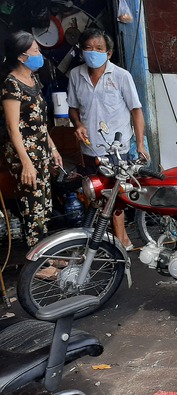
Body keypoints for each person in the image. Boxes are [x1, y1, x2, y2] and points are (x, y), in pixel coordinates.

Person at [67, 28, 149, 251]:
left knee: (115, 195)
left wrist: (140, 144)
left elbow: (136, 111)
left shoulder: (121, 76)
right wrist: (78, 124)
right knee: (92, 193)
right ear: (81, 51)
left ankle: (122, 240)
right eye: (88, 48)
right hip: (89, 147)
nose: (93, 52)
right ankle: (99, 239)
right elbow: (73, 108)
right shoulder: (76, 75)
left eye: (99, 48)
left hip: (116, 149)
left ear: (109, 53)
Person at [1, 31, 63, 247]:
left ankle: (44, 255)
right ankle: (37, 263)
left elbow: (39, 121)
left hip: (41, 151)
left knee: (45, 206)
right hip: (24, 155)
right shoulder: (12, 84)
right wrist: (26, 162)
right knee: (32, 206)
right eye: (35, 51)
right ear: (21, 56)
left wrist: (53, 149)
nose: (40, 54)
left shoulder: (33, 79)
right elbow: (12, 128)